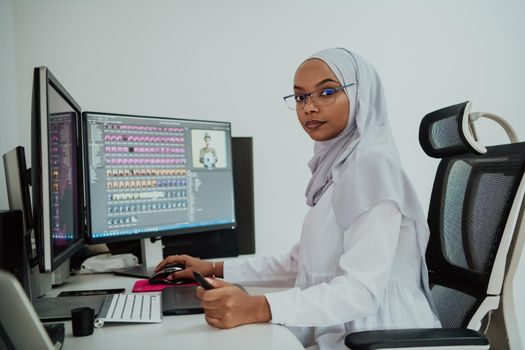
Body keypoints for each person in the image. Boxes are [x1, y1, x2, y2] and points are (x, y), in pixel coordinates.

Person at [156, 48, 441, 350]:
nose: (310, 107)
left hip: (376, 334)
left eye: (327, 91)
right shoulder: (340, 167)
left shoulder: (373, 166)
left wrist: (257, 308)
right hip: (338, 325)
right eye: (301, 97)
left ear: (362, 96)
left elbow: (361, 291)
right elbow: (300, 264)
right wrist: (212, 267)